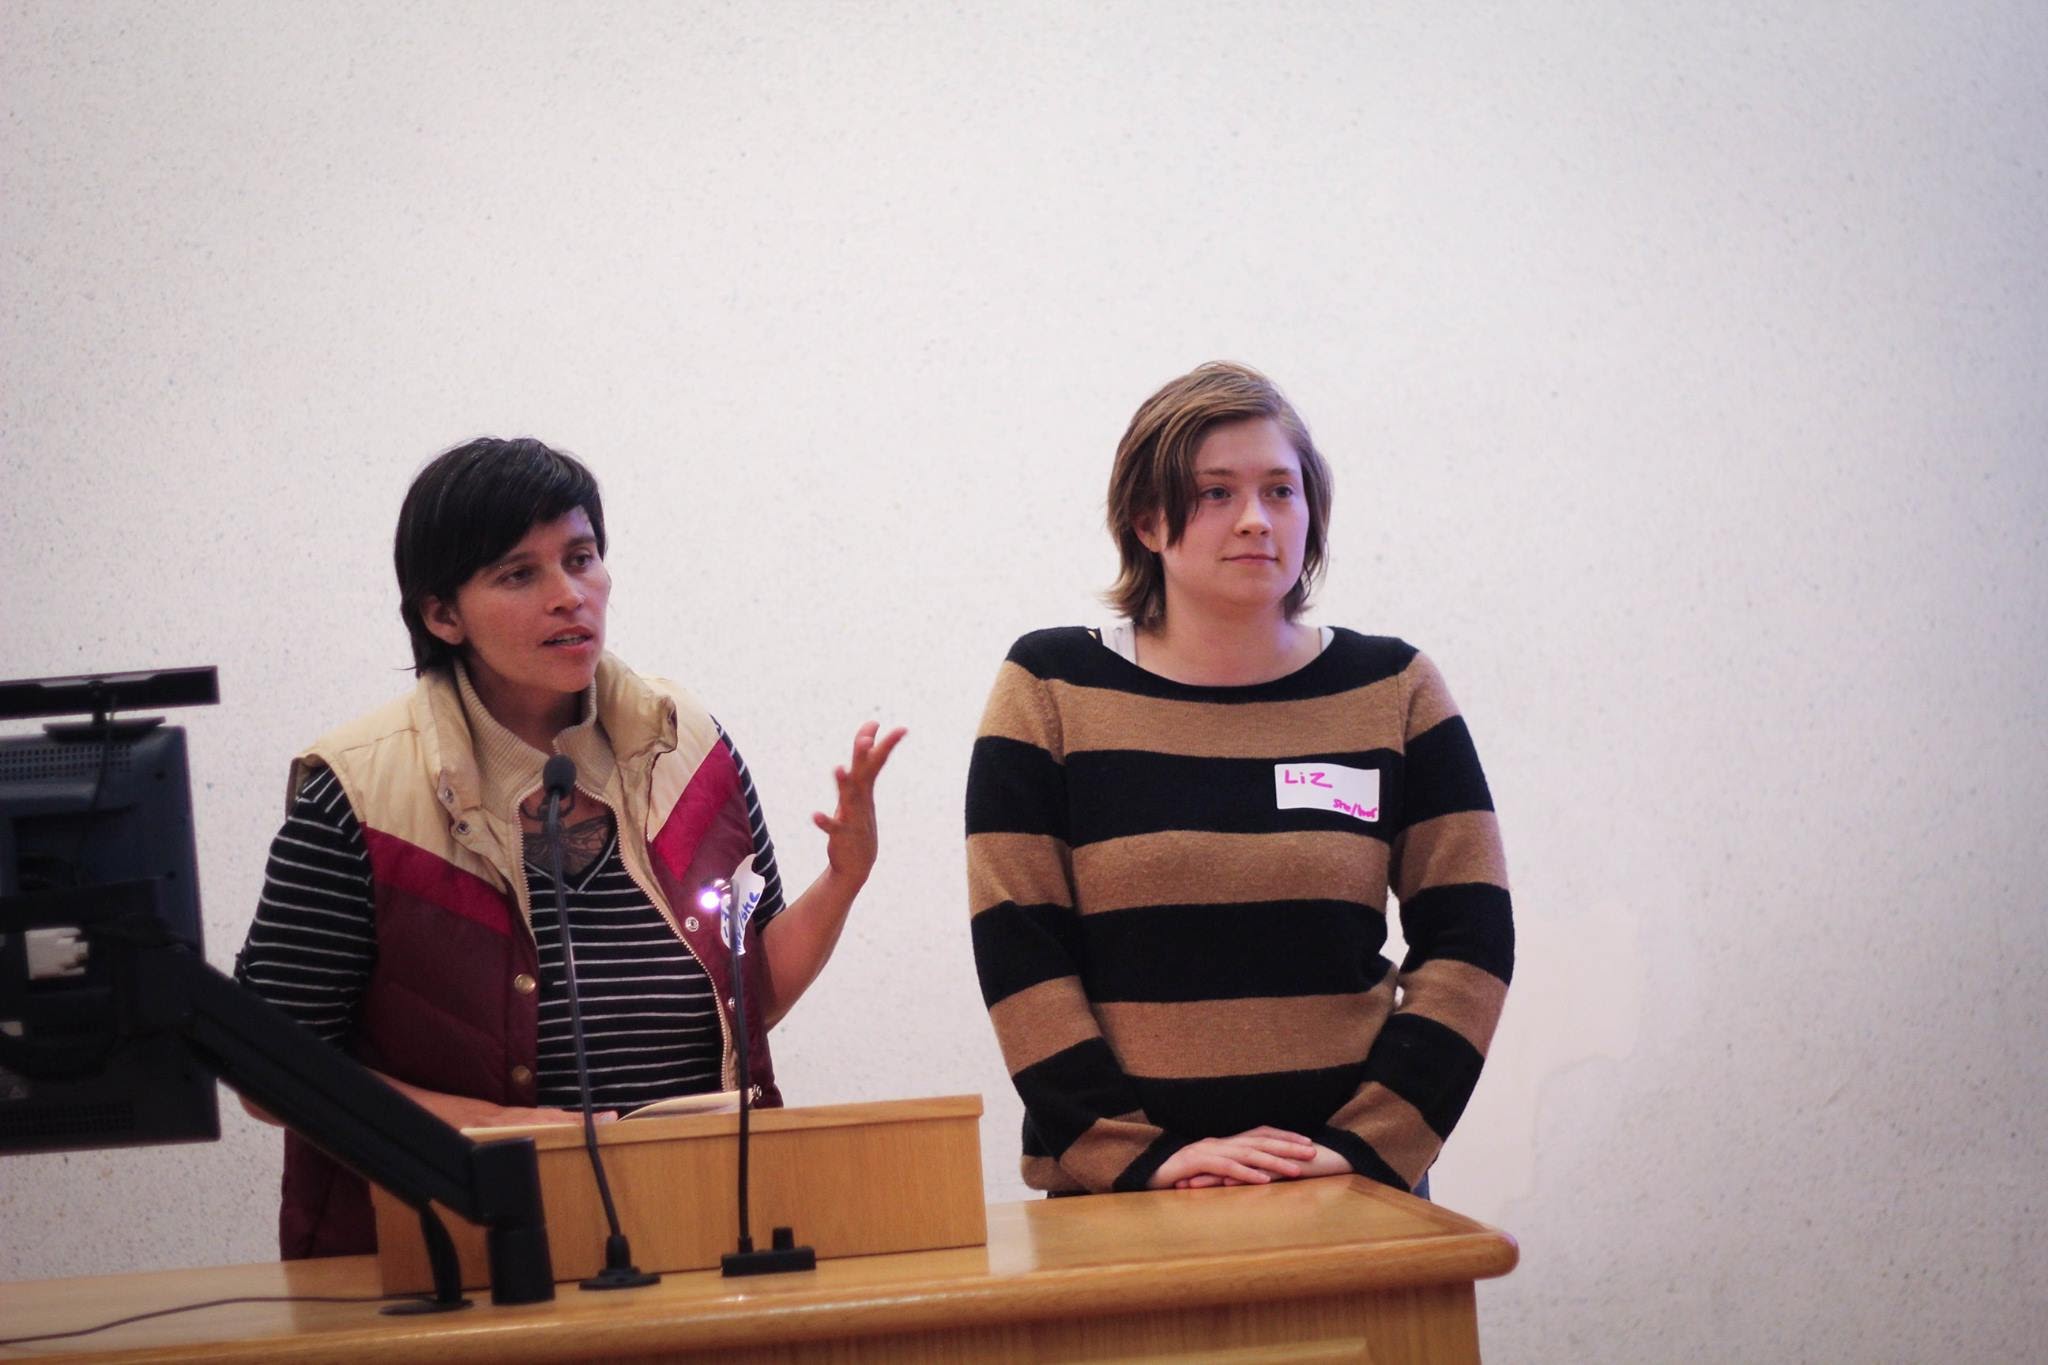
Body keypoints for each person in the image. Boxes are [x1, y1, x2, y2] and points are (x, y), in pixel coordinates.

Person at [235, 437, 903, 1257]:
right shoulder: (360, 791)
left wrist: (843, 880)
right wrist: (494, 1128)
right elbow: (269, 1070)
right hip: (450, 1253)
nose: (569, 597)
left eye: (580, 558)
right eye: (520, 574)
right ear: (442, 613)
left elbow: (747, 998)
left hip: (697, 1227)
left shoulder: (683, 741)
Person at [965, 362, 1512, 1197]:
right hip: (1125, 1197)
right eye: (1216, 492)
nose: (1256, 520)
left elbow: (1471, 937)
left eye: (1281, 491)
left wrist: (1365, 1146)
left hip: (1343, 1190)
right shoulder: (1051, 686)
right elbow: (1019, 948)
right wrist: (1134, 1155)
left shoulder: (1392, 687)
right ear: (1147, 519)